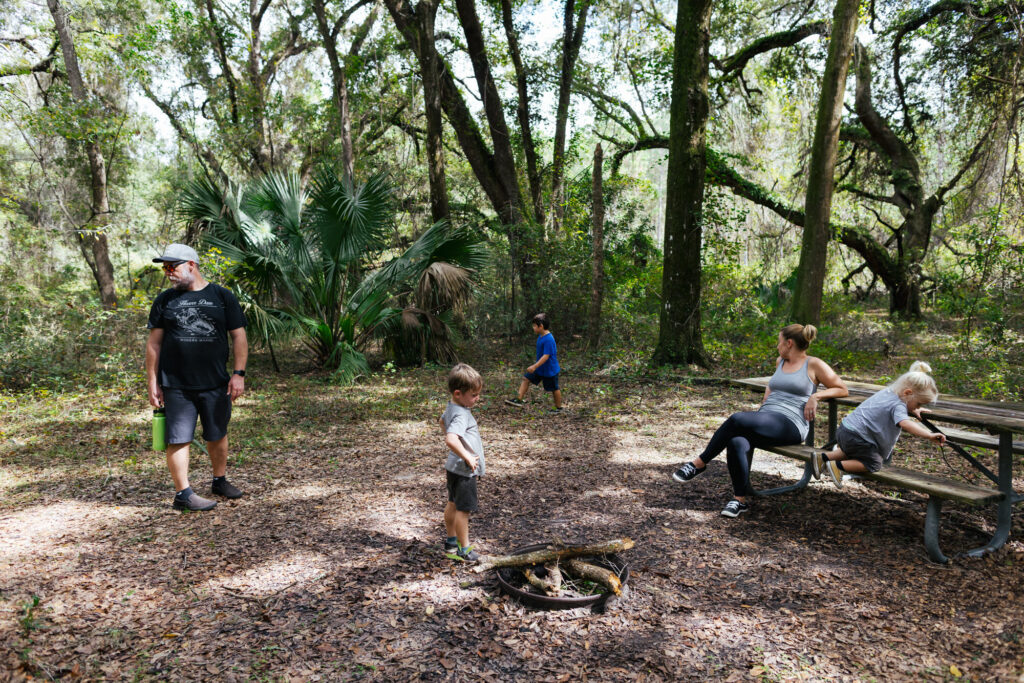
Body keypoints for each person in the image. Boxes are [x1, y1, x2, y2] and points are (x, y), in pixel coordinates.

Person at [672, 324, 848, 518]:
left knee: (737, 419)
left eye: (779, 342)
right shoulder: (780, 361)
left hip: (791, 424)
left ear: (789, 343)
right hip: (767, 419)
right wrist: (759, 415)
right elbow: (770, 391)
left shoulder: (813, 364)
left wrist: (815, 397)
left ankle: (699, 463)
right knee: (737, 440)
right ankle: (739, 500)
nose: (777, 346)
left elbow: (841, 388)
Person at [145, 244, 248, 511]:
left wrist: (238, 374)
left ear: (191, 264)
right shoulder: (165, 300)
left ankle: (219, 480)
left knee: (217, 433)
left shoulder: (222, 296)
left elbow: (239, 336)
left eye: (172, 266)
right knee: (178, 437)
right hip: (176, 384)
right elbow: (154, 344)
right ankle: (183, 494)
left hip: (216, 381)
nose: (168, 273)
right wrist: (152, 381)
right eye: (164, 268)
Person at [812, 361, 946, 487]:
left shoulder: (888, 392)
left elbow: (901, 406)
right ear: (907, 393)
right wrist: (929, 435)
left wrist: (914, 407)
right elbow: (905, 424)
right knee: (874, 463)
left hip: (845, 430)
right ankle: (837, 466)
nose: (918, 407)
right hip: (858, 437)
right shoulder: (898, 405)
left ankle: (823, 457)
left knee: (852, 452)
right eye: (919, 403)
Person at [441, 363, 485, 562]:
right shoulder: (461, 413)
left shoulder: (452, 407)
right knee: (463, 510)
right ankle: (464, 549)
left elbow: (442, 421)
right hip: (464, 469)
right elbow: (451, 439)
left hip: (453, 467)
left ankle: (451, 542)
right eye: (474, 395)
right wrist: (467, 456)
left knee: (452, 503)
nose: (477, 399)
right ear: (458, 393)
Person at [504, 313, 563, 413]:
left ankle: (559, 408)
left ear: (541, 326)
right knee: (526, 378)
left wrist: (534, 366)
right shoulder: (541, 336)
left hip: (549, 370)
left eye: (535, 326)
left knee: (554, 388)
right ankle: (518, 400)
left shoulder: (548, 339)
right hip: (540, 369)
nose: (533, 328)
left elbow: (546, 356)